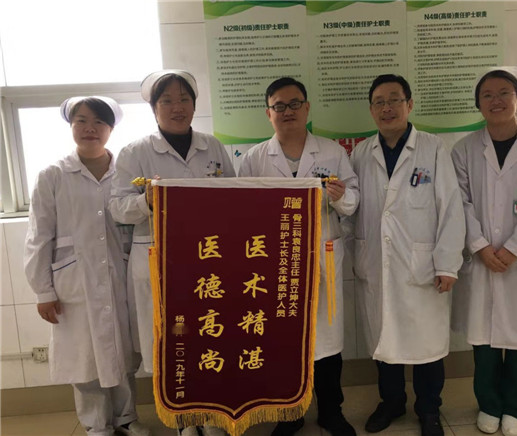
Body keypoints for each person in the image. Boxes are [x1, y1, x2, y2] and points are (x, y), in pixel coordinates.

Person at [109, 70, 235, 436]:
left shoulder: (212, 147)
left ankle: (210, 416)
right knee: (169, 344)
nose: (177, 108)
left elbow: (233, 195)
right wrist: (147, 200)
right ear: (154, 108)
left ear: (194, 105)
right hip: (158, 262)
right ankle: (183, 421)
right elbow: (117, 208)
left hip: (207, 260)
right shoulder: (135, 152)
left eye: (184, 100)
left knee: (207, 337)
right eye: (167, 101)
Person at [238, 77, 359, 436]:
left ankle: (331, 411)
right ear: (269, 113)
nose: (287, 111)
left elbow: (354, 201)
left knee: (327, 341)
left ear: (307, 109)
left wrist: (340, 196)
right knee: (284, 340)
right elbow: (242, 211)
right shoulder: (255, 158)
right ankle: (290, 413)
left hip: (322, 256)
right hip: (276, 263)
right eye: (279, 106)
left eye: (294, 104)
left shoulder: (332, 152)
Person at [24, 96, 150, 436]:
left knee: (123, 352)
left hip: (120, 275)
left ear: (111, 128)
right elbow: (38, 236)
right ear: (71, 126)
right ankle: (96, 424)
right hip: (73, 280)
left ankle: (126, 417)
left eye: (99, 122)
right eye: (81, 120)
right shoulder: (52, 175)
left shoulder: (126, 172)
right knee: (84, 355)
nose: (90, 128)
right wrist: (43, 291)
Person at [350, 74, 465, 436]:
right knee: (385, 341)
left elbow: (451, 209)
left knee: (427, 345)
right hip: (376, 263)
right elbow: (352, 208)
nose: (387, 108)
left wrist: (448, 264)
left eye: (394, 100)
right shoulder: (361, 153)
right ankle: (392, 403)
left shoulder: (433, 148)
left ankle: (429, 409)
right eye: (379, 102)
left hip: (423, 265)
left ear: (409, 104)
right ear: (371, 110)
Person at [450, 67, 517, 436]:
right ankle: (489, 404)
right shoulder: (464, 150)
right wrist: (480, 247)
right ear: (478, 104)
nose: (496, 101)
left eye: (504, 93)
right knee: (483, 341)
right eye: (487, 95)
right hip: (482, 257)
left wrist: (513, 250)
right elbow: (460, 203)